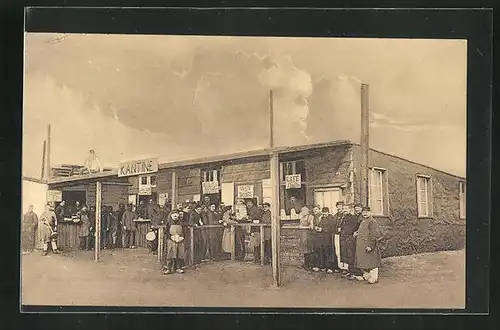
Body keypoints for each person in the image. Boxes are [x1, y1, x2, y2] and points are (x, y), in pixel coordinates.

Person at [354, 206, 384, 284]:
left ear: (370, 213)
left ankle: (374, 278)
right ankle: (367, 275)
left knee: (373, 262)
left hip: (369, 245)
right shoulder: (363, 221)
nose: (365, 214)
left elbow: (374, 234)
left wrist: (370, 245)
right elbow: (363, 230)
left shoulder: (372, 222)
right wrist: (357, 233)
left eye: (366, 212)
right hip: (362, 245)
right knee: (365, 261)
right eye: (363, 212)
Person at [340, 203, 363, 280]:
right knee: (348, 255)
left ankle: (356, 272)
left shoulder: (356, 217)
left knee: (352, 255)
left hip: (353, 238)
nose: (345, 210)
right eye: (344, 209)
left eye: (346, 209)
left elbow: (355, 228)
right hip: (346, 238)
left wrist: (355, 232)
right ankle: (351, 271)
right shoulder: (346, 217)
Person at [311, 207, 337, 273]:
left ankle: (330, 267)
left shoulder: (331, 218)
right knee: (322, 251)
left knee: (328, 252)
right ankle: (323, 266)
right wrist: (318, 228)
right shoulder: (322, 218)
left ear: (328, 212)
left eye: (325, 212)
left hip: (328, 238)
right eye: (323, 212)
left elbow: (332, 228)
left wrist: (322, 229)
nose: (324, 214)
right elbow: (320, 225)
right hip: (322, 238)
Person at [163, 210, 186, 275]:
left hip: (180, 240)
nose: (175, 216)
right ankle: (169, 268)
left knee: (179, 254)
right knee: (170, 254)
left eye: (177, 214)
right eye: (174, 215)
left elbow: (184, 231)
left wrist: (182, 237)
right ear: (171, 215)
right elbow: (166, 232)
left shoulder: (181, 223)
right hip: (171, 241)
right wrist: (171, 237)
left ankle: (178, 268)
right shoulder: (168, 223)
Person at [331, 201, 345, 272]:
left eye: (340, 206)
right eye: (338, 206)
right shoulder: (335, 215)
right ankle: (338, 266)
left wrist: (341, 229)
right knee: (337, 251)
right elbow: (332, 225)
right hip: (336, 235)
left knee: (343, 250)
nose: (339, 207)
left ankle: (345, 268)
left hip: (344, 236)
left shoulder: (345, 215)